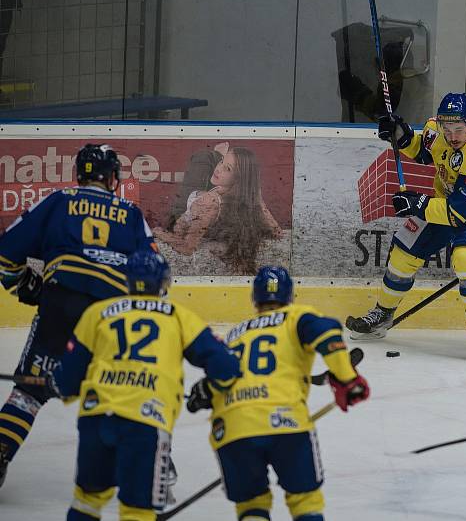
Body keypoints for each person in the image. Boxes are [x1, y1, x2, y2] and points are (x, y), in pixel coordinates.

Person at [0, 143, 156, 488]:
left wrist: (29, 287)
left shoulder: (58, 201)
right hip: (112, 314)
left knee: (29, 391)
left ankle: (1, 449)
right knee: (121, 392)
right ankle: (151, 462)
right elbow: (156, 272)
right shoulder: (130, 213)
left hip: (61, 305)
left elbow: (5, 253)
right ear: (112, 177)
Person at [47, 250, 240, 521]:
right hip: (145, 420)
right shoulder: (177, 316)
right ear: (163, 283)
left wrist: (58, 384)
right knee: (138, 511)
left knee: (86, 501)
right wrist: (210, 389)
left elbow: (66, 379)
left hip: (96, 418)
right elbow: (226, 367)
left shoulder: (98, 313)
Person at [185, 265, 369, 521]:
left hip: (232, 428)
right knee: (305, 501)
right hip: (286, 422)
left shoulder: (234, 335)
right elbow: (327, 332)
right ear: (291, 296)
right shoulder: (296, 316)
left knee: (251, 506)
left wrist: (202, 392)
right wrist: (348, 379)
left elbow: (220, 378)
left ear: (254, 300)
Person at [345, 92, 466, 361]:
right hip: (447, 202)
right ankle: (383, 313)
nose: (452, 136)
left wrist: (418, 204)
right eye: (447, 129)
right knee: (403, 251)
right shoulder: (436, 129)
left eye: (459, 130)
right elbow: (425, 153)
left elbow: (457, 215)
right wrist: (401, 136)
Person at [154, 145, 283, 274]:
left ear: (238, 180)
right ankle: (220, 156)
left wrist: (160, 233)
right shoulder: (241, 199)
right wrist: (254, 192)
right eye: (221, 161)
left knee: (203, 156)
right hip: (208, 201)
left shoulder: (210, 202)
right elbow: (277, 232)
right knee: (210, 161)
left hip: (186, 210)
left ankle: (217, 154)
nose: (219, 168)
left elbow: (187, 247)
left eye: (227, 169)